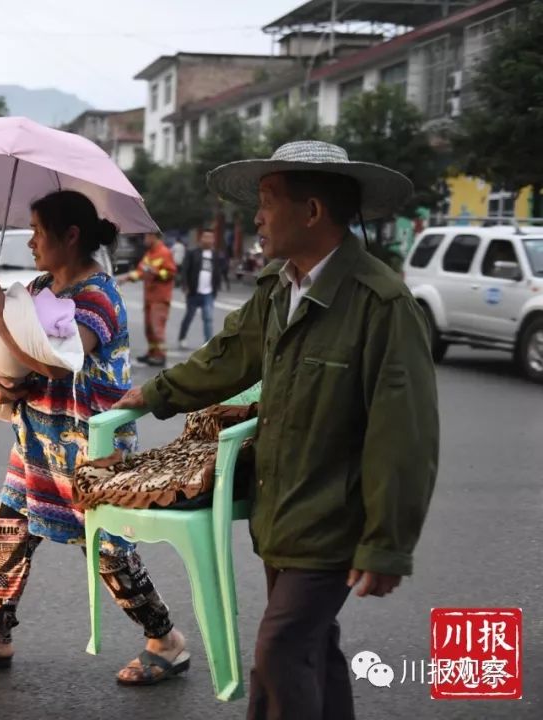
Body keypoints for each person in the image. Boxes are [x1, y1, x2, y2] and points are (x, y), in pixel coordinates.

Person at [114, 141, 439, 718]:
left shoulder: (381, 305)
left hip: (335, 519)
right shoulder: (276, 288)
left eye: (268, 201)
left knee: (281, 649)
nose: (256, 218)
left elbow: (404, 434)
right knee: (313, 646)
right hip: (280, 511)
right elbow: (226, 358)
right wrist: (152, 394)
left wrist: (387, 542)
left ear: (311, 211)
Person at [0, 190, 189, 686]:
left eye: (38, 231)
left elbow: (58, 358)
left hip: (93, 448)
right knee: (9, 531)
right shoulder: (40, 286)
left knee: (108, 552)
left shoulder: (99, 297)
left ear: (70, 236)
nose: (31, 242)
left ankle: (166, 640)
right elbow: (21, 362)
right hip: (38, 439)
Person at [119, 232, 176, 368]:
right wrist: (126, 278)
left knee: (157, 328)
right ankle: (152, 353)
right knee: (149, 328)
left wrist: (156, 272)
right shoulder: (149, 254)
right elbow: (140, 271)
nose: (144, 240)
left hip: (160, 297)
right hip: (150, 297)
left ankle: (160, 356)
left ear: (153, 237)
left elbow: (171, 272)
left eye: (146, 237)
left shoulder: (164, 253)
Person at [177, 228, 221, 348]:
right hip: (194, 291)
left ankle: (207, 342)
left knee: (208, 317)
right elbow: (185, 270)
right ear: (201, 238)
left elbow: (217, 272)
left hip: (209, 292)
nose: (208, 240)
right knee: (189, 316)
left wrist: (217, 287)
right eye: (206, 237)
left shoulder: (215, 254)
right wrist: (185, 285)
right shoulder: (192, 253)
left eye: (210, 237)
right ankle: (182, 337)